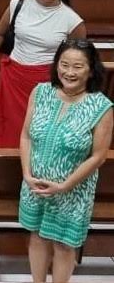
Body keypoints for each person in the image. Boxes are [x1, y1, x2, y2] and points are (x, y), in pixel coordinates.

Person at [19, 39, 112, 283]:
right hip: (35, 185)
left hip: (72, 191)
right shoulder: (40, 92)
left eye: (78, 66)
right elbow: (26, 135)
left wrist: (65, 185)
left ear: (91, 69)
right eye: (64, 64)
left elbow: (99, 156)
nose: (69, 72)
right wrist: (27, 174)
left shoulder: (101, 106)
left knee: (63, 244)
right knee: (37, 236)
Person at [0, 0, 85, 148]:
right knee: (6, 130)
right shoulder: (16, 6)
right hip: (12, 78)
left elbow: (79, 57)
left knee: (38, 134)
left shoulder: (72, 20)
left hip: (47, 83)